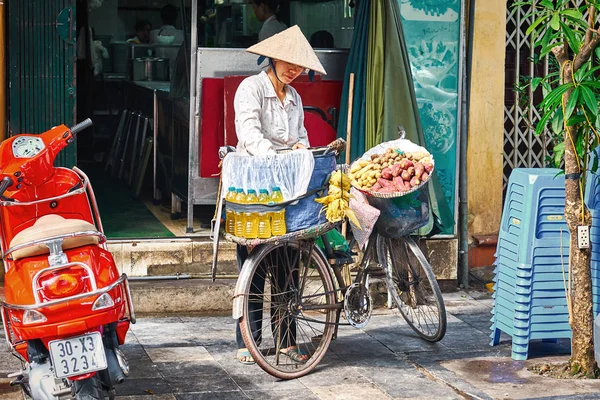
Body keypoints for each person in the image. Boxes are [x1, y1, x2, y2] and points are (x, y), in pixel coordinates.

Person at [233, 25, 326, 364]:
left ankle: (286, 340)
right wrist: (275, 157)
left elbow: (299, 135)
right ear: (272, 57)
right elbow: (250, 133)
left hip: (288, 188)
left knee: (288, 267)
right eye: (289, 63)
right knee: (254, 267)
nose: (294, 70)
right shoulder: (251, 88)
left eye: (299, 67)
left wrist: (302, 148)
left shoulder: (295, 97)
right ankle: (248, 341)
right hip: (255, 186)